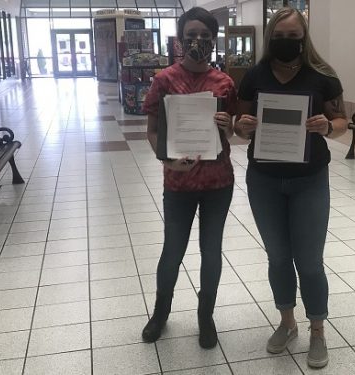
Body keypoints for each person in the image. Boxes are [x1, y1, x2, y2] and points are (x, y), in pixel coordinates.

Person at [234, 7, 347, 369]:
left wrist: (328, 128)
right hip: (264, 179)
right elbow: (239, 125)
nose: (286, 43)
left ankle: (317, 330)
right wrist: (243, 126)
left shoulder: (322, 76)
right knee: (278, 257)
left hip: (309, 179)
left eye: (293, 36)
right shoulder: (255, 75)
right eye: (279, 37)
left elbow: (342, 119)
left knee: (310, 261)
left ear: (304, 38)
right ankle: (287, 322)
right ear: (271, 38)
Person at [140, 6, 237, 349]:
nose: (198, 41)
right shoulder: (164, 80)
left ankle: (205, 316)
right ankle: (160, 312)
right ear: (181, 39)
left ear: (214, 40)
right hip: (178, 183)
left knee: (211, 251)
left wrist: (230, 126)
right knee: (172, 251)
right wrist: (164, 156)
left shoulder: (224, 82)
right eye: (191, 35)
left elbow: (235, 127)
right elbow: (152, 130)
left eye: (205, 37)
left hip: (218, 182)